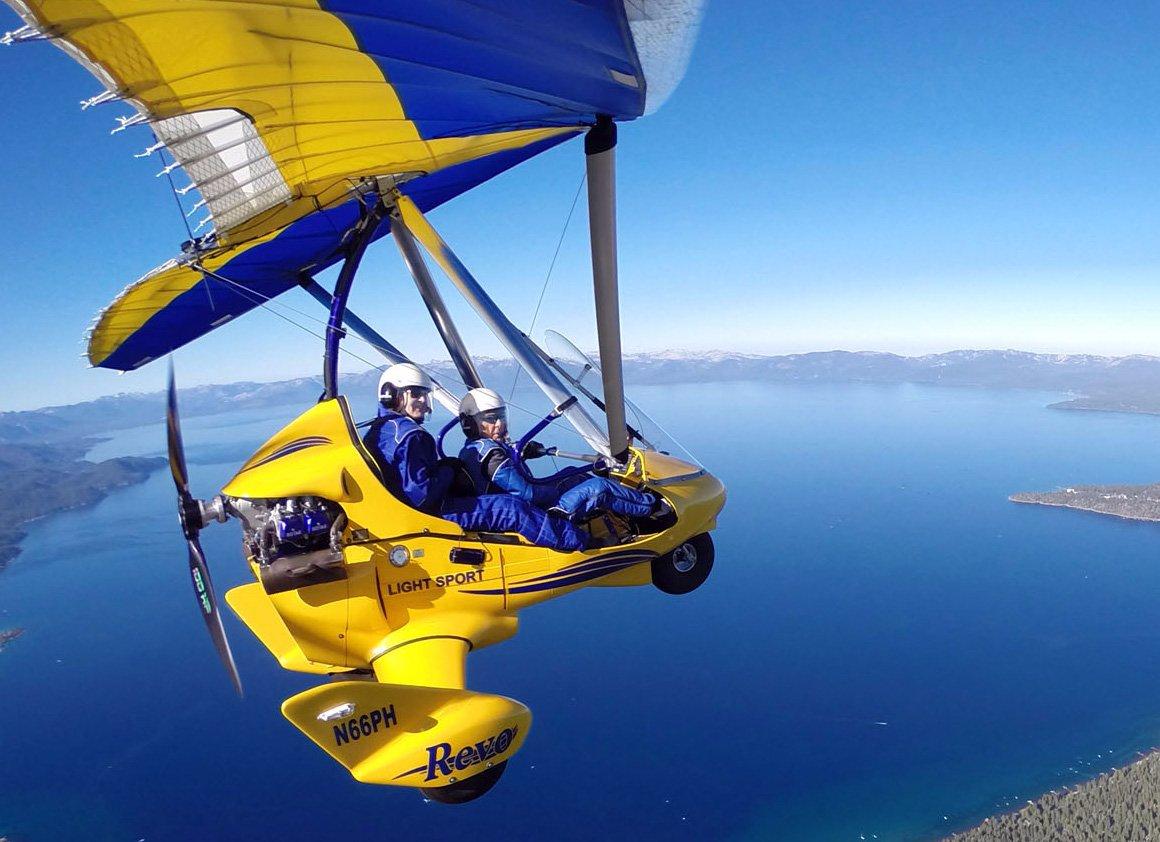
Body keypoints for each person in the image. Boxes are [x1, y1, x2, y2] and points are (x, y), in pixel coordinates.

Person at [363, 363, 589, 552]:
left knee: (506, 504)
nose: (423, 401)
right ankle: (583, 546)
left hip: (400, 510)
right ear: (392, 394)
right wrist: (448, 471)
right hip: (427, 512)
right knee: (510, 508)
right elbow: (421, 496)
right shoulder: (411, 436)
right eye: (416, 394)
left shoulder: (380, 429)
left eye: (424, 394)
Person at [457, 388, 671, 523]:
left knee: (571, 474)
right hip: (532, 512)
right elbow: (526, 494)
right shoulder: (493, 455)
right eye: (490, 419)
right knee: (598, 489)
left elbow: (506, 472)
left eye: (501, 417)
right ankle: (655, 508)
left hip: (515, 507)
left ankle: (624, 508)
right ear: (471, 424)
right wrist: (556, 489)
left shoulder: (474, 448)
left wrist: (523, 453)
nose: (499, 424)